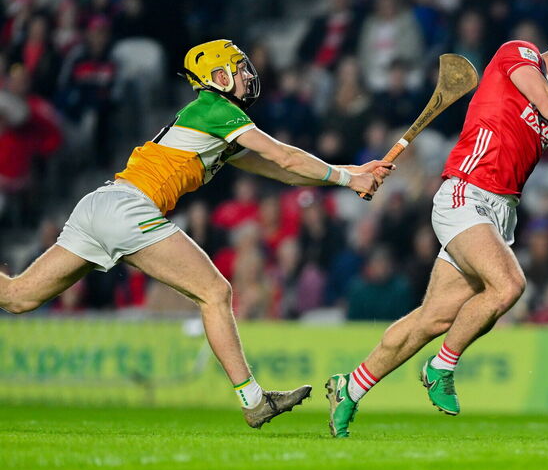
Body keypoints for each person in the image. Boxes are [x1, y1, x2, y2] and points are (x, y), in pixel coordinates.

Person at [0, 39, 393, 429]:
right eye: (238, 68)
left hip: (101, 204)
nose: (246, 75)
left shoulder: (217, 122)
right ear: (217, 78)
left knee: (17, 297)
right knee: (215, 292)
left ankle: (254, 400)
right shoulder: (216, 109)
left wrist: (353, 175)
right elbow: (284, 155)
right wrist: (347, 176)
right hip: (129, 208)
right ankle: (254, 402)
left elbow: (285, 172)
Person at [325, 21, 548, 437]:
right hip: (466, 193)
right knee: (508, 285)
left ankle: (350, 387)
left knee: (433, 319)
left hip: (501, 211)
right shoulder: (520, 54)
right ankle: (441, 367)